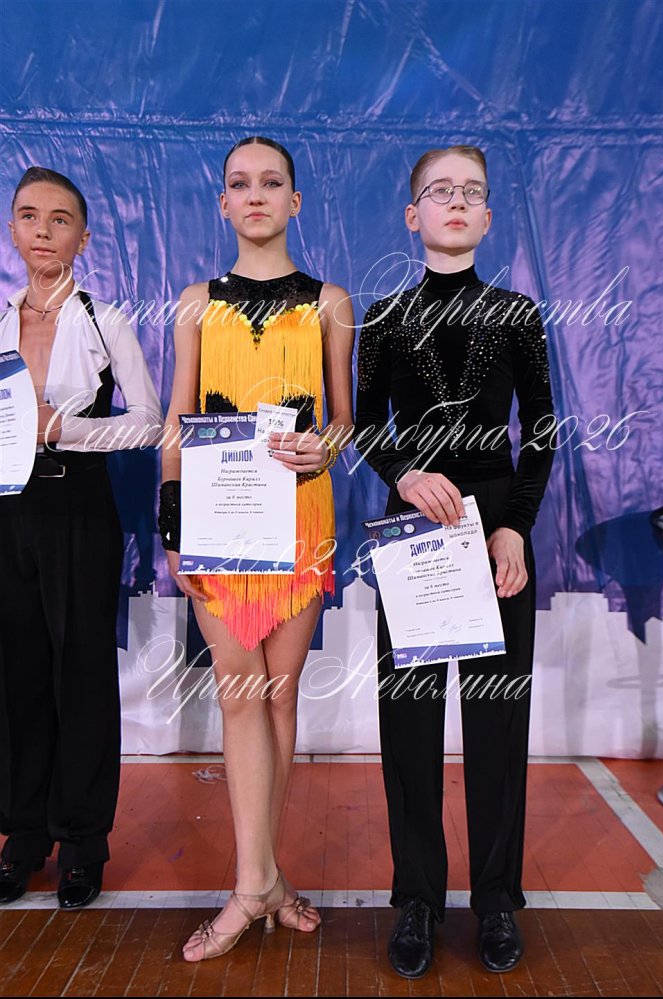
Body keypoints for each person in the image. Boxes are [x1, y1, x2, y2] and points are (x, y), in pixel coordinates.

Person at [354, 146, 556, 978]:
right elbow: (365, 421)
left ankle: (496, 897)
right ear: (414, 216)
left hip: (497, 528)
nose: (458, 202)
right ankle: (417, 898)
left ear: (489, 216)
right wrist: (405, 472)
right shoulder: (383, 317)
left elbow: (539, 431)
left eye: (473, 192)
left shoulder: (517, 314)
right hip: (415, 530)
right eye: (441, 191)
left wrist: (515, 527)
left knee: (496, 720)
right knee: (408, 720)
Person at [159, 136, 354, 961]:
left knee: (279, 696)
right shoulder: (194, 303)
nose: (256, 194)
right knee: (240, 693)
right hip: (219, 521)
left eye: (271, 182)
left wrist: (323, 447)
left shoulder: (331, 302)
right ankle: (253, 886)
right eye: (240, 183)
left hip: (301, 519)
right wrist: (174, 527)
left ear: (294, 201)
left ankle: (263, 880)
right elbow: (177, 422)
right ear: (223, 203)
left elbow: (344, 417)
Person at [0, 167, 163, 907]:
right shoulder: (1, 321)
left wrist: (64, 427)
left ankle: (82, 843)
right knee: (17, 674)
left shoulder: (107, 321)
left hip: (78, 504)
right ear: (12, 228)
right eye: (30, 216)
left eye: (59, 219)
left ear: (84, 237)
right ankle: (22, 835)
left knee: (82, 673)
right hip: (9, 510)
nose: (43, 230)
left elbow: (151, 422)